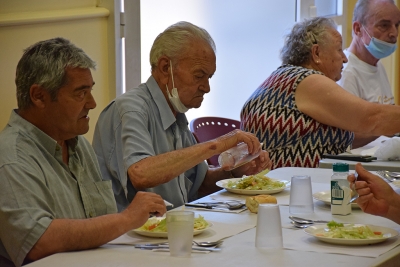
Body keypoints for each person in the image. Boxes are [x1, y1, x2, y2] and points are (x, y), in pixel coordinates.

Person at [0, 38, 166, 267]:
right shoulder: (11, 157)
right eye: (81, 93)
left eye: (91, 90)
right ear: (39, 96)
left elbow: (97, 226)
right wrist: (126, 218)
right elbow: (38, 242)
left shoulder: (77, 144)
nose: (93, 103)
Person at [92, 21, 272, 211]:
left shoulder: (176, 114)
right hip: (131, 236)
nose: (206, 87)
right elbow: (141, 174)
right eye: (199, 75)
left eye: (209, 77)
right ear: (164, 68)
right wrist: (217, 145)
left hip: (171, 228)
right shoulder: (130, 109)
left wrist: (236, 171)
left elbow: (199, 185)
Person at [240, 17, 400, 170]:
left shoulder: (283, 78)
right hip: (289, 189)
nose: (345, 59)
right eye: (339, 50)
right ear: (316, 53)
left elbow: (351, 132)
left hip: (274, 186)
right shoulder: (306, 80)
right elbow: (370, 118)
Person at [337, 0, 400, 148]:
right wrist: (388, 125)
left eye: (397, 25)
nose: (394, 33)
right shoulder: (345, 73)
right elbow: (346, 138)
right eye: (384, 25)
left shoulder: (377, 65)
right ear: (358, 29)